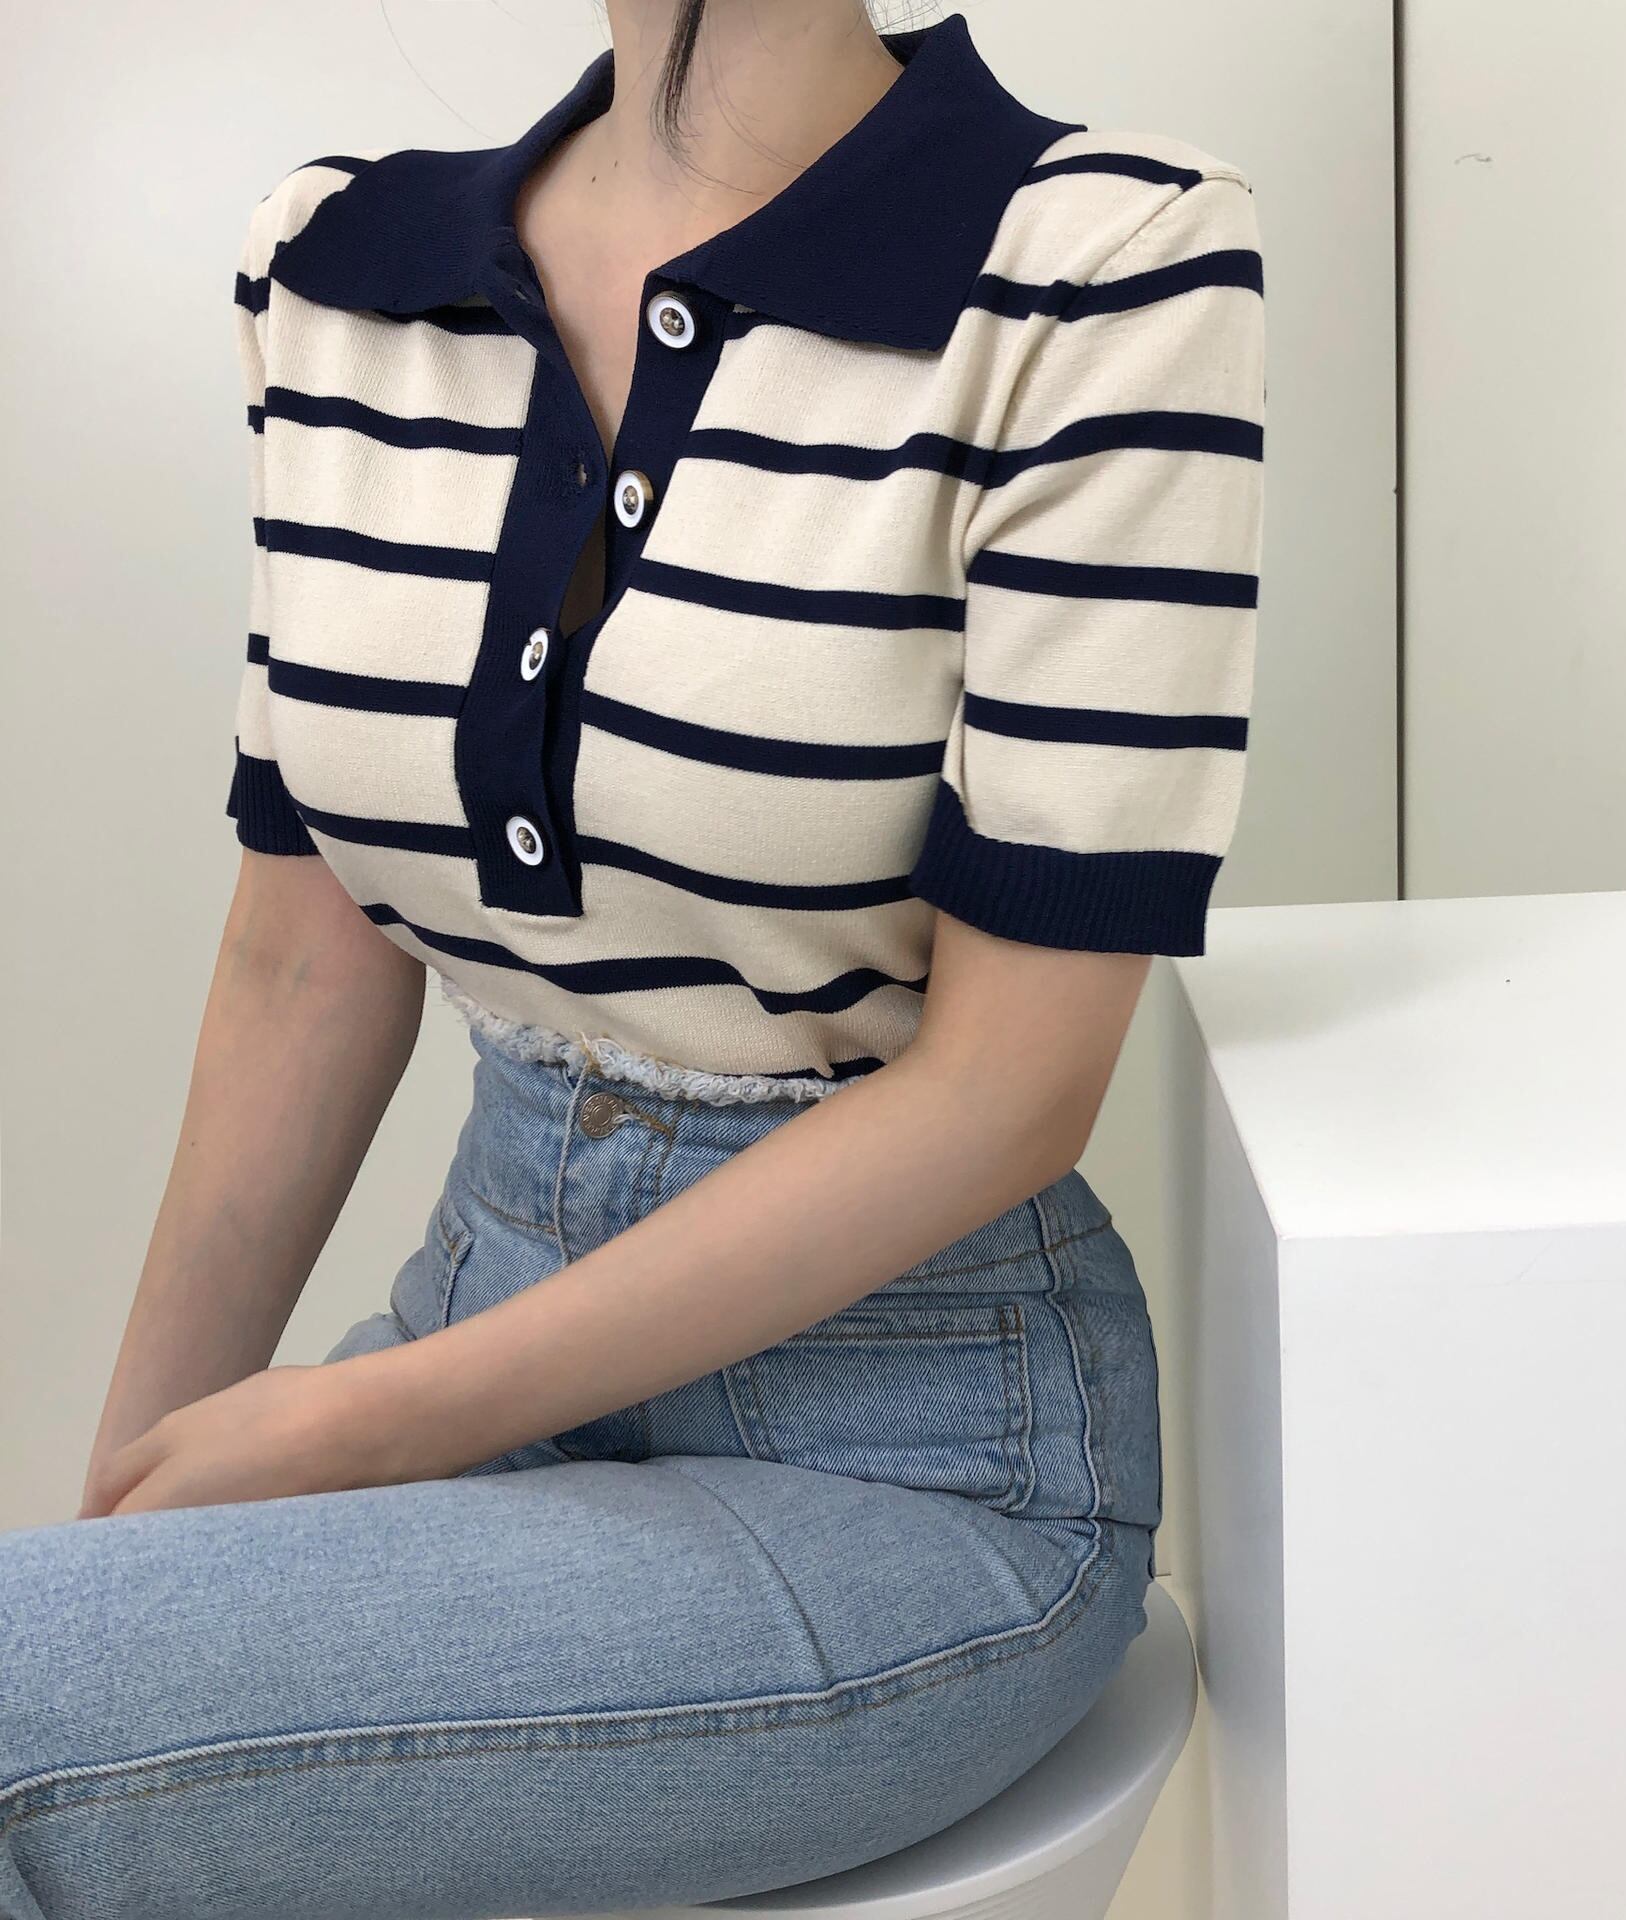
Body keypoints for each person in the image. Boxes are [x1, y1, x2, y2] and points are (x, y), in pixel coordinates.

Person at [0, 1, 1265, 1912]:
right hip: (475, 1304)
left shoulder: (1097, 268)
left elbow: (1011, 1090)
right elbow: (302, 960)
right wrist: (124, 1525)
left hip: (907, 1456)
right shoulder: (339, 268)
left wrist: (367, 1418)